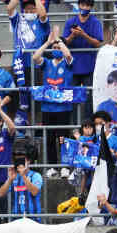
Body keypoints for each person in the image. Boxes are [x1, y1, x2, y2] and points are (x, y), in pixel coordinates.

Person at [33, 27, 75, 174]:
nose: (56, 49)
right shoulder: (47, 62)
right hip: (47, 107)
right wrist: (48, 43)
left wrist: (58, 40)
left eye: (59, 47)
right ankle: (52, 167)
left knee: (63, 138)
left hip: (63, 108)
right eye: (54, 48)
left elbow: (68, 55)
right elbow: (35, 57)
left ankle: (64, 166)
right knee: (49, 138)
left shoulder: (68, 62)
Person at [62, 0, 104, 106]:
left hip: (89, 66)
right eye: (83, 5)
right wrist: (73, 35)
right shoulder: (70, 22)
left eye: (88, 6)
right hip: (72, 66)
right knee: (71, 99)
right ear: (79, 5)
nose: (85, 8)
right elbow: (64, 43)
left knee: (89, 99)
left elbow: (98, 43)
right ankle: (72, 123)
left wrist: (83, 34)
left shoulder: (95, 22)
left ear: (91, 7)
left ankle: (88, 123)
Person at [0, 153, 43, 219]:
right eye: (17, 160)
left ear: (28, 161)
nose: (20, 163)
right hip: (16, 216)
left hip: (32, 216)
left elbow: (35, 192)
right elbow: (1, 194)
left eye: (22, 160)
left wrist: (23, 176)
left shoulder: (36, 175)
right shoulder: (14, 176)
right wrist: (9, 179)